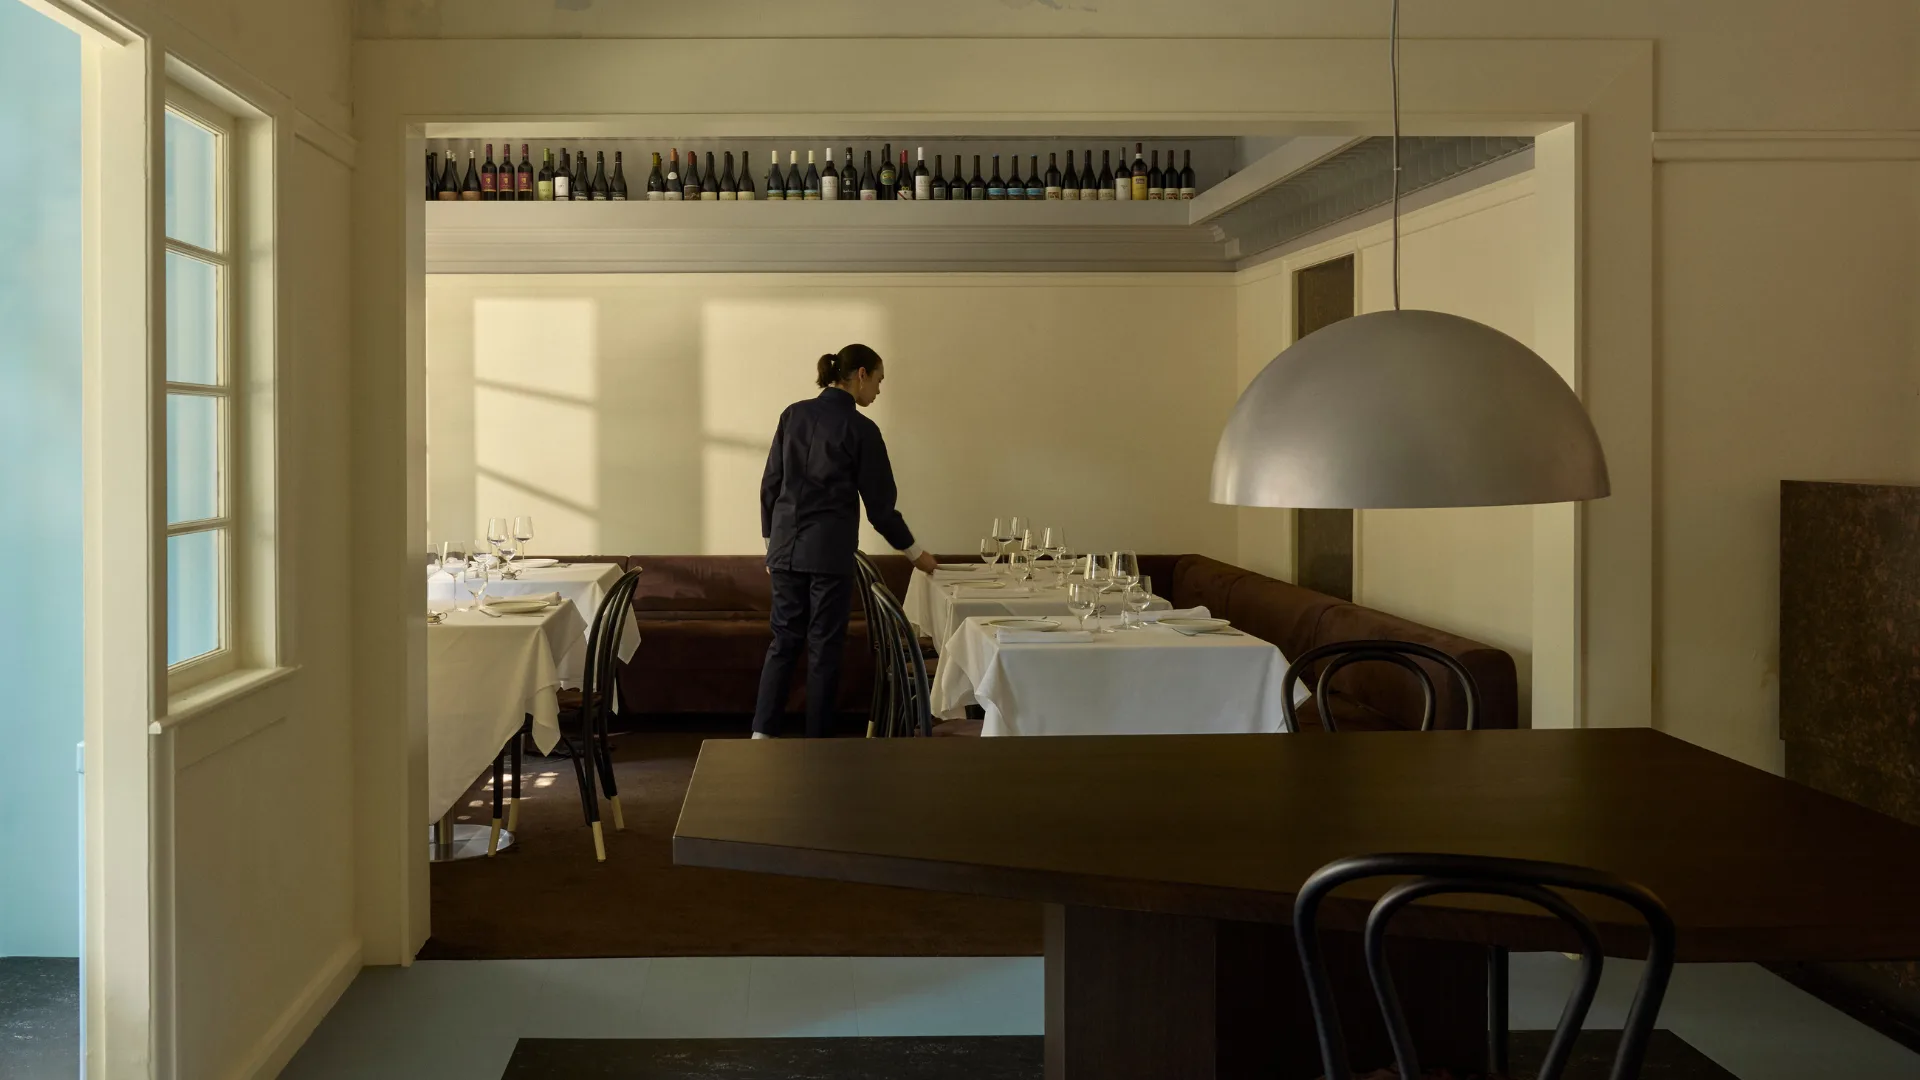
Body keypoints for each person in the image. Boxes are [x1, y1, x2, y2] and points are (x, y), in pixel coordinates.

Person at [753, 344, 938, 739]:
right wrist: (915, 553)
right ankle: (818, 745)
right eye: (879, 380)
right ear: (861, 375)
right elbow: (881, 510)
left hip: (784, 550)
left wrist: (772, 544)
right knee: (824, 648)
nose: (879, 390)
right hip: (828, 554)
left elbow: (771, 485)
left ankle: (761, 736)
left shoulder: (793, 415)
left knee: (783, 643)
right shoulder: (861, 430)